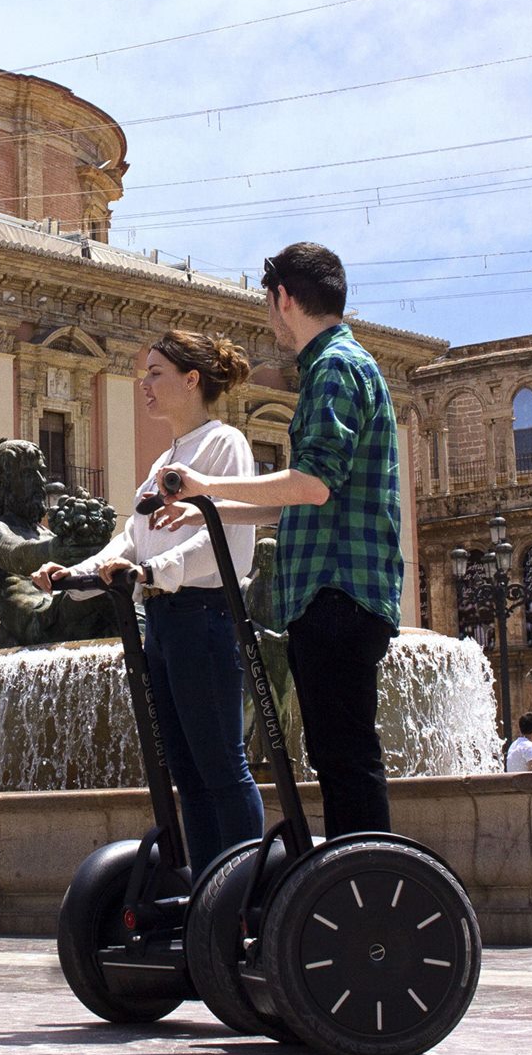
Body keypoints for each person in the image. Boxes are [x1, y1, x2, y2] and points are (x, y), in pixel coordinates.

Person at [159, 242, 402, 838]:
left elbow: (313, 484)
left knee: (346, 759)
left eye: (269, 305)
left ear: (283, 298)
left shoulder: (335, 366)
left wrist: (207, 483)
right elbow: (306, 504)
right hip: (339, 589)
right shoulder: (340, 365)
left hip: (336, 594)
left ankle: (363, 889)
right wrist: (207, 512)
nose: (270, 318)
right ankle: (359, 880)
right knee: (340, 756)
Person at [33, 330, 264, 875]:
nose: (145, 384)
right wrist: (76, 574)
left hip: (204, 619)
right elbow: (129, 541)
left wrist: (155, 570)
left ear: (192, 380)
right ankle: (211, 889)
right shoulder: (166, 458)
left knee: (222, 766)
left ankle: (248, 889)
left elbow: (226, 541)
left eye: (156, 373)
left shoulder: (224, 444)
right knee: (187, 774)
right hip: (158, 623)